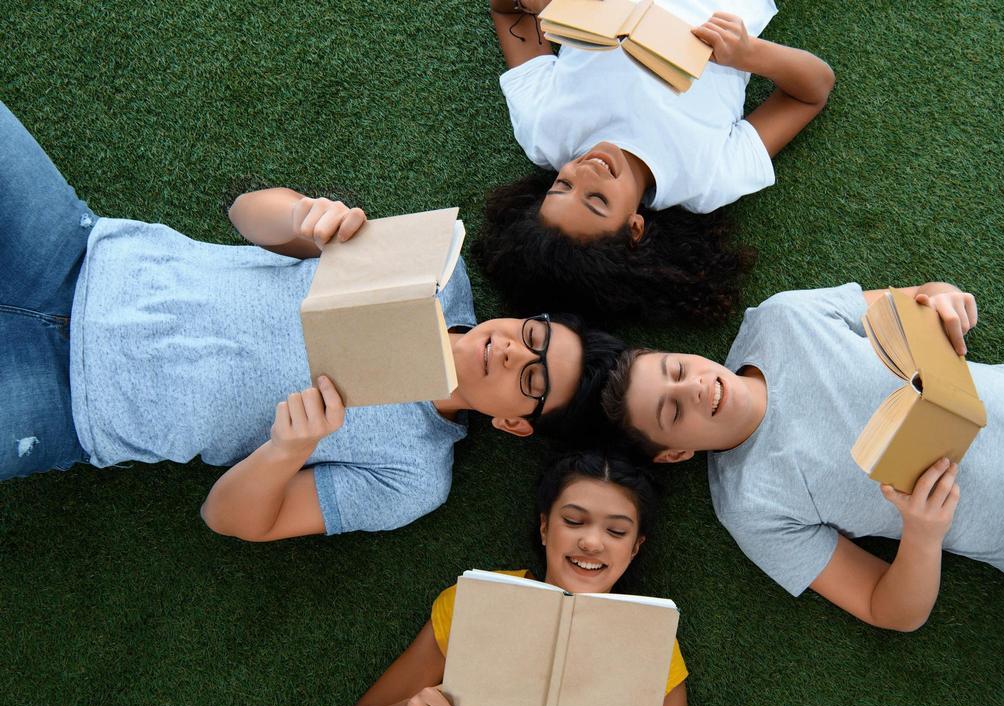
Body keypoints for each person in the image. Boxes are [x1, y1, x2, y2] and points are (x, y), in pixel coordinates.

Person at [0, 101, 623, 540]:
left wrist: (286, 449)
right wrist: (303, 218)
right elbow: (246, 213)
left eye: (533, 380)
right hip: (78, 252)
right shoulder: (436, 274)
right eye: (534, 335)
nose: (515, 352)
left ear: (514, 423)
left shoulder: (412, 475)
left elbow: (232, 519)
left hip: (66, 408)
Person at [601, 282, 1004, 627]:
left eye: (677, 370)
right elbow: (889, 610)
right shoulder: (751, 505)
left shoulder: (781, 319)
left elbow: (912, 302)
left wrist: (942, 302)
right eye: (671, 411)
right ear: (675, 455)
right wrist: (921, 532)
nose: (695, 388)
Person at [337, 451, 707, 706]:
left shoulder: (648, 641)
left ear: (636, 547)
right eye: (574, 520)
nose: (591, 541)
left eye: (616, 531)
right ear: (545, 527)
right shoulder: (475, 602)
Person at [474, 0, 835, 323]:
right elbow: (813, 91)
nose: (586, 173)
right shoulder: (706, 178)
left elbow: (508, 10)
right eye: (597, 200)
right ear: (635, 228)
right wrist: (749, 54)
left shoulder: (545, 131)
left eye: (562, 185)